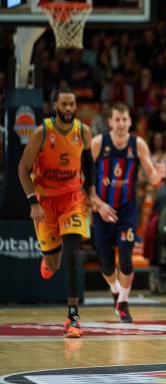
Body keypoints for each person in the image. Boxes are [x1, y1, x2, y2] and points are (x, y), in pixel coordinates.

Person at [17, 86, 108, 338]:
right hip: (45, 202)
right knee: (54, 263)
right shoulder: (42, 132)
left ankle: (73, 317)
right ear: (55, 105)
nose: (68, 108)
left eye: (72, 104)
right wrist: (32, 202)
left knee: (72, 252)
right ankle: (47, 262)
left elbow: (89, 164)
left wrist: (91, 192)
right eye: (64, 104)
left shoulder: (83, 131)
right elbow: (22, 169)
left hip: (72, 199)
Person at [91, 103, 166, 323]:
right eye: (117, 119)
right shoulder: (98, 144)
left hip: (126, 208)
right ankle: (116, 291)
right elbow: (84, 178)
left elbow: (152, 177)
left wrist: (158, 175)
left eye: (125, 119)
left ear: (130, 122)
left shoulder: (138, 144)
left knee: (125, 257)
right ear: (110, 122)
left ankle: (123, 302)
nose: (121, 123)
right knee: (105, 261)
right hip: (102, 207)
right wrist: (97, 204)